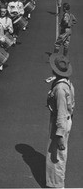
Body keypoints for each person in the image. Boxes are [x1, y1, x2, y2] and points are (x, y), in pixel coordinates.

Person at [46, 53, 75, 188]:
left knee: (56, 157)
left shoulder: (60, 89)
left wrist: (60, 135)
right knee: (57, 155)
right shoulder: (65, 82)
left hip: (61, 124)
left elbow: (61, 113)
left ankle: (57, 186)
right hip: (65, 121)